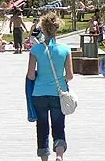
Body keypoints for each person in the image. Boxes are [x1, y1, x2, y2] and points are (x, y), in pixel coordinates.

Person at [27, 12, 73, 161]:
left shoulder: (35, 50)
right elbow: (70, 76)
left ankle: (44, 158)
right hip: (58, 94)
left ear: (43, 29)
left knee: (42, 127)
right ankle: (59, 155)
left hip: (39, 93)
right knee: (59, 125)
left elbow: (31, 75)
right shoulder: (65, 49)